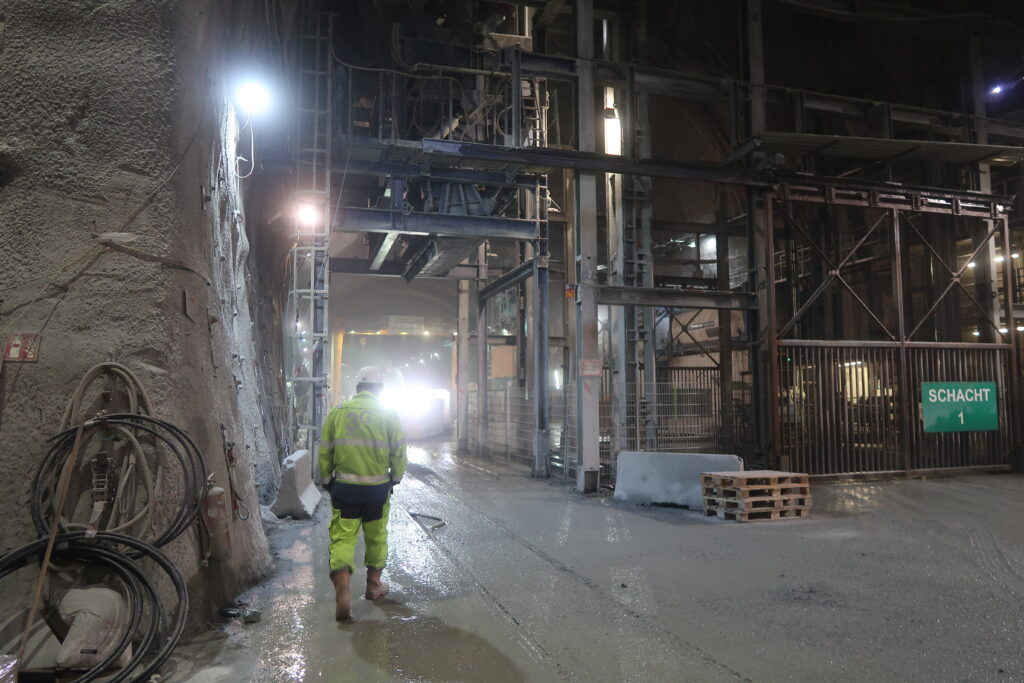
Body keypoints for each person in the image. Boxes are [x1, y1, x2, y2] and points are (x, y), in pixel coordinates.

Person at [318, 366, 407, 621]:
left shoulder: (338, 412)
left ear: (357, 389)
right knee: (376, 536)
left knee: (343, 538)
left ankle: (343, 587)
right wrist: (395, 478)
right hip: (377, 491)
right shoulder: (389, 414)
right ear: (379, 390)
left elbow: (325, 451)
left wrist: (327, 481)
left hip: (345, 490)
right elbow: (399, 452)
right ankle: (373, 585)